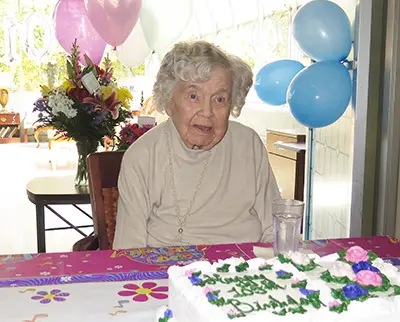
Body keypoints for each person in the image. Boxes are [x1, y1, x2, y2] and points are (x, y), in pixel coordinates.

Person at [113, 40, 281, 249]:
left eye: (219, 99)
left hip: (244, 271)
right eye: (193, 96)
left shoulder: (249, 145)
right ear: (168, 99)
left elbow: (276, 230)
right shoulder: (143, 156)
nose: (207, 112)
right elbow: (129, 249)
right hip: (168, 272)